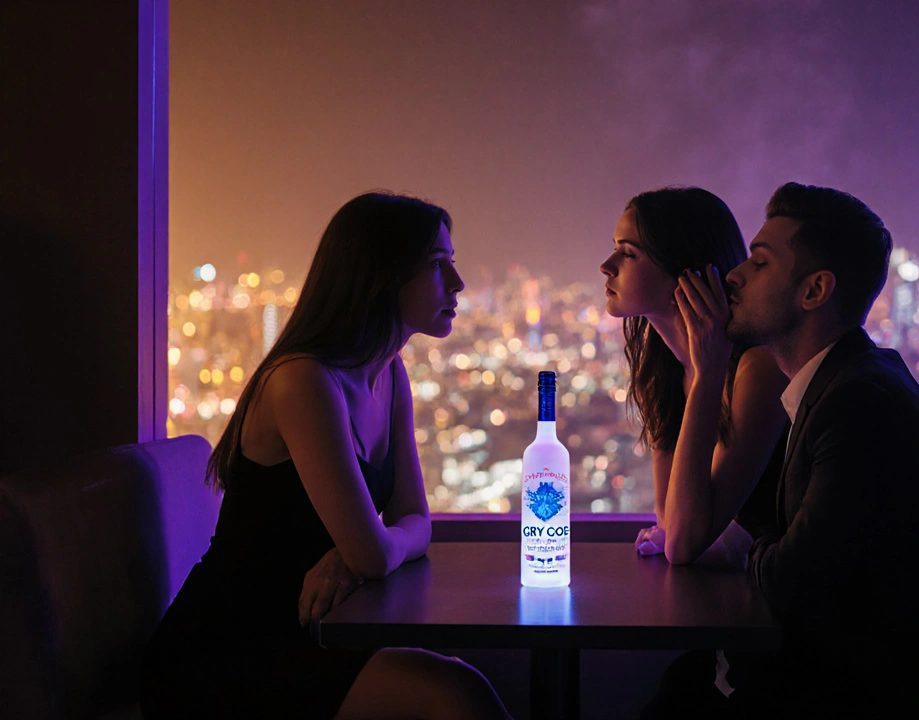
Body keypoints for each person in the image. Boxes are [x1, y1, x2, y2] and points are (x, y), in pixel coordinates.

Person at [141, 192, 512, 720]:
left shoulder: (389, 374)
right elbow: (376, 553)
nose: (457, 284)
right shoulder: (304, 381)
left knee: (459, 686)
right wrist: (365, 548)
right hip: (230, 649)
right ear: (380, 275)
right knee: (454, 694)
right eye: (437, 265)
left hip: (313, 630)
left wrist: (361, 548)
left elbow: (415, 523)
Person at [707, 181, 919, 718]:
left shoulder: (858, 403)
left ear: (815, 291)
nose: (735, 275)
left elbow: (793, 582)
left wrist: (749, 546)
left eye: (760, 263)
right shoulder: (845, 381)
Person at [599, 187, 791, 718]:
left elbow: (680, 541)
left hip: (787, 647)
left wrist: (708, 374)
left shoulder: (754, 370)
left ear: (686, 272)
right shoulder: (666, 368)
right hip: (737, 629)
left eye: (628, 252)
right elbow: (670, 516)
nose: (606, 264)